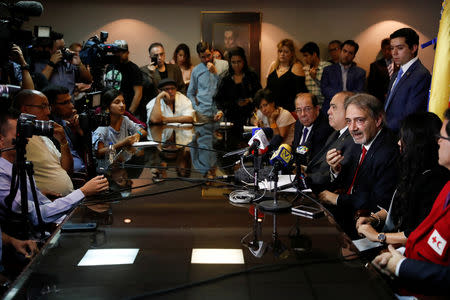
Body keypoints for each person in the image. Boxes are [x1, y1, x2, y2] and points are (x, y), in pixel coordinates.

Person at [372, 109, 450, 297]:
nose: (438, 140)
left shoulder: (435, 182)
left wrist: (400, 264)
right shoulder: (447, 186)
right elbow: (424, 235)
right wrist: (398, 255)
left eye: (444, 137)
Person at [0, 111, 109, 227]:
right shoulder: (2, 174)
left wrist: (40, 196)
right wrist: (83, 192)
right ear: (1, 142)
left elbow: (39, 205)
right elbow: (36, 215)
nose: (26, 139)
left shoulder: (16, 166)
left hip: (57, 217)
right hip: (41, 232)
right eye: (19, 134)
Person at [356, 112, 448, 245]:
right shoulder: (414, 169)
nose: (399, 142)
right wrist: (375, 218)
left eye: (405, 138)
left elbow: (418, 232)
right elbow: (400, 210)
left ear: (418, 143)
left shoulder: (434, 181)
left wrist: (378, 236)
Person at [318, 93, 399, 237]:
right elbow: (349, 183)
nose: (352, 128)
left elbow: (377, 201)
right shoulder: (357, 141)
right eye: (348, 121)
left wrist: (336, 199)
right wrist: (335, 170)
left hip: (366, 226)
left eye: (359, 120)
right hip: (344, 215)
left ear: (378, 119)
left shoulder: (389, 151)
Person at [12, 89, 75, 196]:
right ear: (25, 109)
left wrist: (63, 142)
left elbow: (67, 171)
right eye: (43, 106)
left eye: (48, 106)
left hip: (67, 200)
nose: (48, 112)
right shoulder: (15, 137)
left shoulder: (44, 136)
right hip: (44, 204)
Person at [304, 91, 355, 191]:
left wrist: (305, 179)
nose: (328, 111)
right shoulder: (336, 133)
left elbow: (335, 176)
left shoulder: (353, 139)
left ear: (348, 111)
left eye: (334, 107)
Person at [384, 28, 431, 133]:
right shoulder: (396, 73)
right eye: (392, 48)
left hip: (401, 137)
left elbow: (410, 115)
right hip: (388, 134)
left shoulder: (421, 75)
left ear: (413, 48)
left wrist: (382, 129)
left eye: (400, 48)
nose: (394, 53)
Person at [214, 47, 261, 129]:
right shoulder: (225, 77)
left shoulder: (251, 75)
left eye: (239, 61)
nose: (236, 65)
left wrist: (250, 100)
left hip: (249, 117)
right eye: (233, 62)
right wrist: (220, 111)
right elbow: (218, 99)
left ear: (244, 61)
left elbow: (259, 94)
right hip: (231, 117)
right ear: (230, 62)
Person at [32, 31, 92, 96]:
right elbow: (38, 87)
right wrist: (51, 64)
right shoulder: (39, 64)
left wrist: (80, 64)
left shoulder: (68, 62)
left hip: (70, 103)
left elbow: (88, 80)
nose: (63, 51)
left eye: (64, 47)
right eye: (59, 48)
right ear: (48, 49)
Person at [43, 85, 86, 172]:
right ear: (50, 106)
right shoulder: (48, 130)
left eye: (70, 101)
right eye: (65, 103)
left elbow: (83, 152)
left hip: (83, 171)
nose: (71, 106)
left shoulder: (65, 123)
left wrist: (77, 130)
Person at [92, 89, 147, 157]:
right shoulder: (103, 125)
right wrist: (121, 143)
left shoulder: (125, 120)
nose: (122, 105)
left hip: (123, 161)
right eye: (117, 102)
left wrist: (138, 134)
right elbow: (99, 152)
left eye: (123, 102)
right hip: (108, 165)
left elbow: (143, 131)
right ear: (107, 107)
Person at [320, 40, 366, 114]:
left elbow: (359, 92)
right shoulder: (328, 70)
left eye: (350, 53)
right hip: (330, 107)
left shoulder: (360, 72)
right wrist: (341, 97)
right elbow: (324, 89)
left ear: (354, 56)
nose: (346, 55)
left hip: (351, 107)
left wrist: (345, 99)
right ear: (340, 51)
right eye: (344, 51)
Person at [187, 41, 228, 123]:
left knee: (220, 135)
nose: (207, 59)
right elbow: (190, 93)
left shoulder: (224, 65)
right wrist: (196, 107)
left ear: (212, 51)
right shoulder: (196, 70)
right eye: (203, 57)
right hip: (203, 112)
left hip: (220, 111)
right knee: (204, 135)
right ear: (199, 56)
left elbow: (226, 87)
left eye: (208, 55)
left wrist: (216, 73)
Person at [266, 39, 307, 112]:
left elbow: (300, 93)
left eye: (286, 52)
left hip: (289, 110)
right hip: (273, 110)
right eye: (280, 51)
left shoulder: (296, 66)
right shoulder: (273, 66)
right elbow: (267, 90)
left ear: (292, 53)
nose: (282, 54)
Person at [104, 40, 143, 117]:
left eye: (122, 52)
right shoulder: (110, 66)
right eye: (116, 52)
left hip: (126, 110)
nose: (119, 54)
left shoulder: (134, 69)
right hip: (110, 111)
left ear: (127, 53)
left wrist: (130, 113)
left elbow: (138, 93)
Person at [291, 93, 333, 164]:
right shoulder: (299, 123)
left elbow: (315, 159)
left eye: (307, 109)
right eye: (298, 110)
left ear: (317, 109)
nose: (302, 114)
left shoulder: (325, 128)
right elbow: (295, 147)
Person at [300, 42, 332, 106]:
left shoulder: (327, 67)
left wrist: (315, 78)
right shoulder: (304, 69)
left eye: (306, 55)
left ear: (314, 54)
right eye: (303, 56)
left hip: (325, 104)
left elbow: (329, 89)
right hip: (310, 106)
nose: (304, 59)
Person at [367, 38, 393, 103]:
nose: (387, 52)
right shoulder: (375, 66)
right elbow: (371, 87)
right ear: (382, 50)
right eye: (384, 49)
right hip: (380, 100)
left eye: (389, 49)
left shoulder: (401, 64)